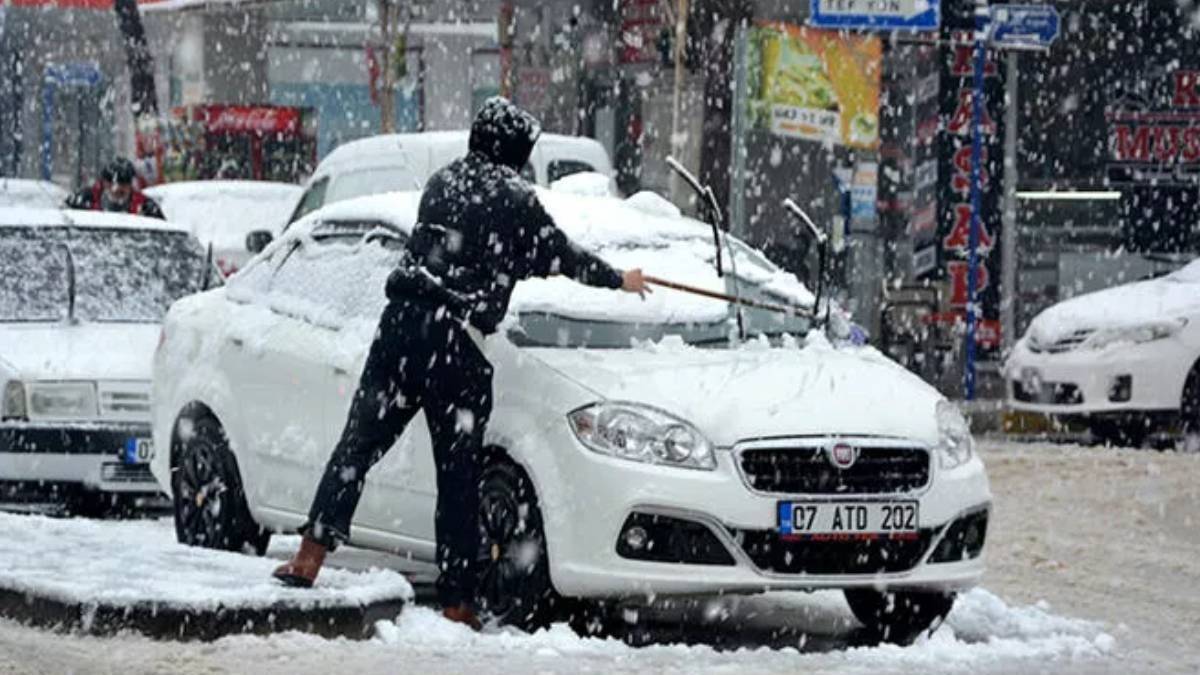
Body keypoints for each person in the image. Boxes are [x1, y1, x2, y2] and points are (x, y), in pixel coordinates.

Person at [271, 98, 651, 629]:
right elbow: (559, 254)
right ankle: (456, 602)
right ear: (515, 152)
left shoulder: (443, 182)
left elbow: (477, 248)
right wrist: (619, 279)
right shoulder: (514, 198)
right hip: (456, 344)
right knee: (457, 478)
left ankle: (310, 556)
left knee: (357, 447)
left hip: (401, 328)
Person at [65, 157, 165, 219]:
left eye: (124, 183)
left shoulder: (147, 208)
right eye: (111, 183)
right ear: (103, 182)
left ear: (131, 185)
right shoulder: (82, 201)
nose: (117, 188)